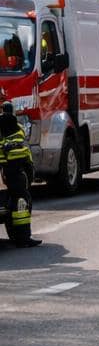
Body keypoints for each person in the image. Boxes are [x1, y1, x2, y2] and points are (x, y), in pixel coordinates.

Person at [1, 100, 38, 247]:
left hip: (7, 170)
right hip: (15, 170)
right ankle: (23, 238)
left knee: (16, 202)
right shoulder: (16, 127)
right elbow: (20, 150)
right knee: (21, 202)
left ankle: (20, 237)